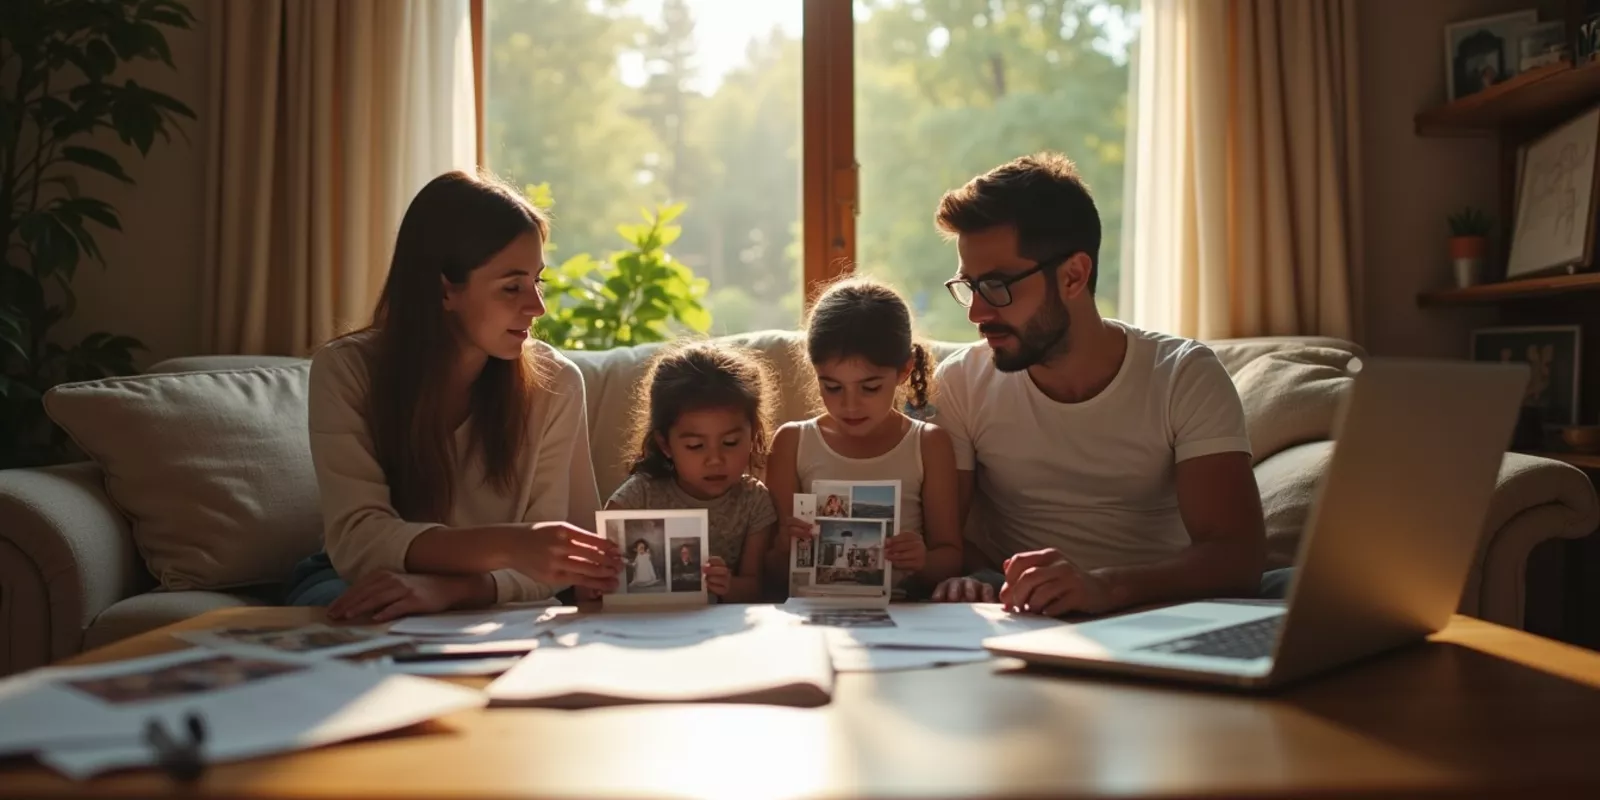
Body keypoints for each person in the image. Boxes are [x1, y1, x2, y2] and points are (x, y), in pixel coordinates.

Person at [927, 152, 1272, 616]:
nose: (977, 313)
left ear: (1073, 275)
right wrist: (992, 583)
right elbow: (944, 542)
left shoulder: (1183, 375)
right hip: (1019, 612)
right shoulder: (961, 383)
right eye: (969, 287)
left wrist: (1104, 588)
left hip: (1157, 611)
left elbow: (1237, 557)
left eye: (996, 286)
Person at [282, 169, 622, 622]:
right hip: (359, 575)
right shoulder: (347, 371)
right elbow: (359, 539)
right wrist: (511, 545)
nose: (537, 307)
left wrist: (457, 589)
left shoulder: (555, 383)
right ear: (445, 289)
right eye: (512, 287)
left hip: (496, 586)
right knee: (360, 614)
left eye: (537, 282)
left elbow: (559, 562)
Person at [766, 278, 965, 595]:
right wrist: (782, 547)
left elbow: (951, 557)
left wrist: (923, 560)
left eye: (870, 388)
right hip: (814, 611)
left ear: (904, 371)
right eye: (832, 387)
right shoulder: (792, 443)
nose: (850, 405)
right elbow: (771, 574)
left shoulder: (928, 444)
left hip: (905, 612)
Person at [605, 341, 779, 602]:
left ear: (753, 435)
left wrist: (727, 585)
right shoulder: (638, 496)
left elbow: (755, 588)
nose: (715, 460)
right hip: (647, 620)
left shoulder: (754, 501)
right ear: (665, 444)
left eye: (730, 442)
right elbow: (597, 579)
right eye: (696, 446)